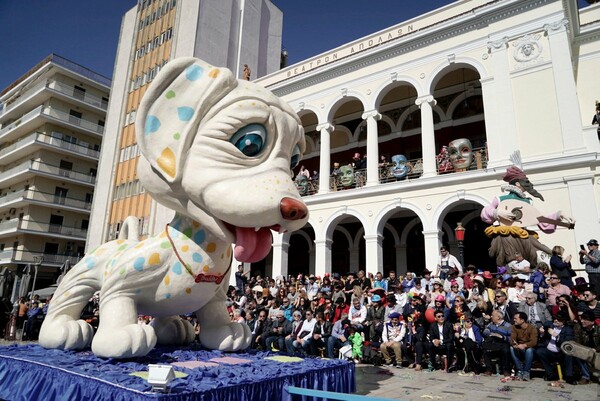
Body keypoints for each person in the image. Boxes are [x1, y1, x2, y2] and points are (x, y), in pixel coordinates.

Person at [536, 312, 576, 384]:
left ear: (563, 321)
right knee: (540, 351)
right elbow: (543, 331)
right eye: (555, 319)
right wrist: (541, 333)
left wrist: (556, 336)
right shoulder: (550, 325)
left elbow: (567, 343)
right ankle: (550, 374)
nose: (556, 320)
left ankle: (569, 376)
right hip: (550, 352)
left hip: (561, 352)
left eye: (558, 319)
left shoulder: (568, 329)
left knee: (569, 354)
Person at [482, 310, 513, 377]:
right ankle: (489, 370)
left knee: (506, 350)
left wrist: (501, 336)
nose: (491, 317)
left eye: (493, 315)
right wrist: (490, 333)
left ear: (498, 317)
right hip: (493, 342)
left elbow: (511, 338)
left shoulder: (508, 326)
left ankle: (506, 370)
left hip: (503, 343)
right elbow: (485, 331)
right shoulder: (491, 324)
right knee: (486, 350)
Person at [572, 310, 600, 384]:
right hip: (584, 350)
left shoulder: (598, 328)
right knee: (578, 355)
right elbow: (577, 342)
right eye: (582, 319)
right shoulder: (578, 327)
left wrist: (595, 349)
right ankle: (585, 376)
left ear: (592, 321)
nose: (582, 321)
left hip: (597, 350)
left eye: (585, 320)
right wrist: (586, 350)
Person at [510, 312, 538, 381]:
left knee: (529, 350)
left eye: (516, 319)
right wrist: (514, 344)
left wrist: (524, 345)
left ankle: (526, 372)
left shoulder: (532, 328)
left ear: (522, 320)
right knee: (511, 348)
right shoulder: (514, 327)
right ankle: (519, 370)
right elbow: (512, 339)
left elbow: (534, 342)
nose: (514, 320)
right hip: (519, 347)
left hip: (530, 348)